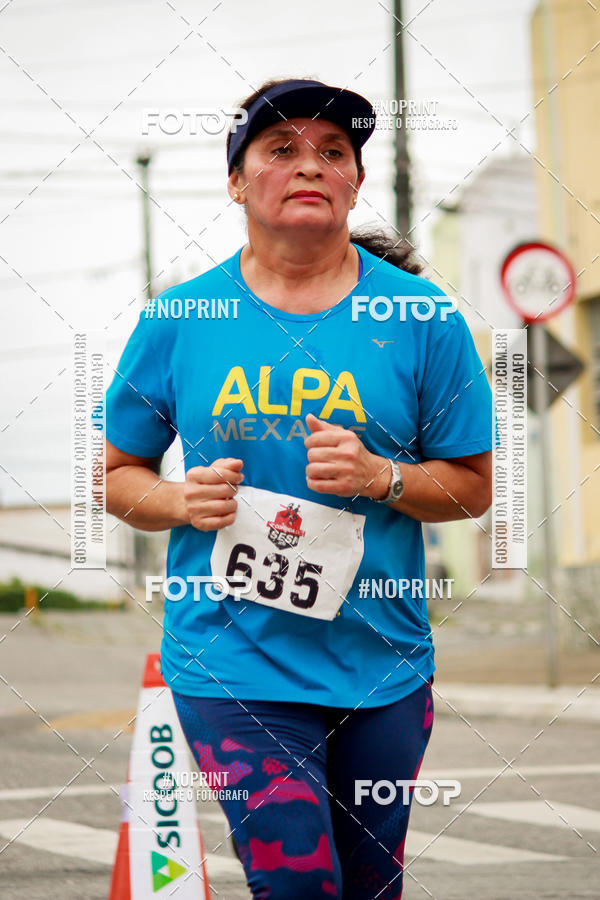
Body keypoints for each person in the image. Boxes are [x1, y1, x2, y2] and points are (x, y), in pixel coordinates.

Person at [102, 77, 493, 899]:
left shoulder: (425, 319)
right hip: (231, 657)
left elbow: (471, 488)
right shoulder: (181, 317)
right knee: (296, 885)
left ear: (354, 181)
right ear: (239, 180)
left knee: (369, 885)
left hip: (380, 660)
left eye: (333, 152)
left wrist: (382, 477)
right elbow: (113, 476)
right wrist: (178, 500)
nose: (309, 165)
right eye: (281, 149)